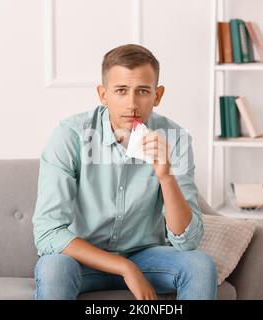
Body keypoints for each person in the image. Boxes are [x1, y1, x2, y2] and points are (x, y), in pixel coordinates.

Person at [32, 44, 217, 300]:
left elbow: (187, 242)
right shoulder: (70, 135)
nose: (132, 104)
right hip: (82, 259)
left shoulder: (176, 139)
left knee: (200, 265)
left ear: (158, 95)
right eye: (121, 91)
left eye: (142, 91)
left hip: (147, 256)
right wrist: (124, 267)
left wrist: (166, 176)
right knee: (53, 267)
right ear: (103, 94)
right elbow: (48, 232)